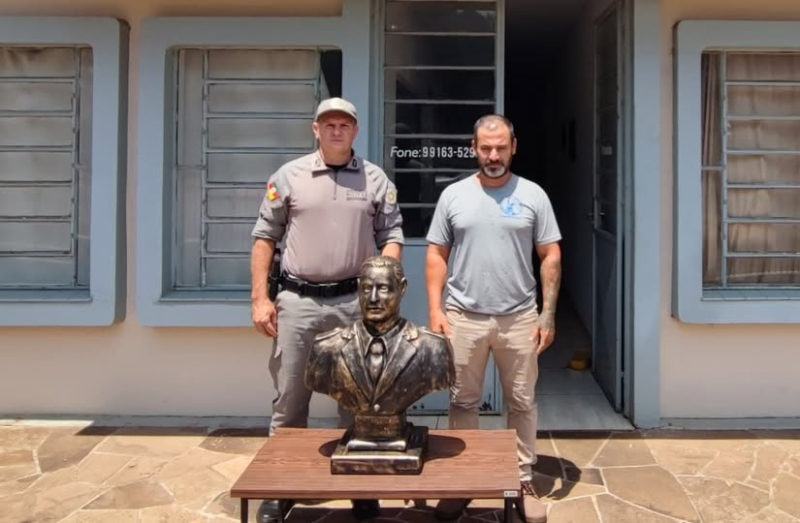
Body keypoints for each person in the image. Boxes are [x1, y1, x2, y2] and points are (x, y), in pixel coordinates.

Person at [250, 97, 404, 522]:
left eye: (344, 125)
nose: (337, 131)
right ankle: (281, 487)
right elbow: (265, 237)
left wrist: (382, 284)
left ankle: (360, 485)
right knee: (289, 400)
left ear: (355, 131)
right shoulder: (289, 177)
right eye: (328, 124)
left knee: (360, 400)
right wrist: (260, 298)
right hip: (298, 302)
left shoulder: (374, 179)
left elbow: (392, 233)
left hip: (355, 305)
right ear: (315, 130)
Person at [425, 115, 562, 523]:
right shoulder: (453, 196)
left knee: (521, 402)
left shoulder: (534, 195)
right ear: (473, 148)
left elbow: (550, 254)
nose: (493, 155)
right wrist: (435, 309)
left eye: (501, 147)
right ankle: (466, 479)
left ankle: (521, 478)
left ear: (514, 146)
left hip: (519, 318)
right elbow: (436, 254)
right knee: (463, 401)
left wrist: (548, 315)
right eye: (486, 148)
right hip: (463, 317)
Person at [305, 255, 454, 445]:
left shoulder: (431, 349)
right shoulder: (327, 349)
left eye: (383, 288)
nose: (373, 298)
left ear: (402, 288)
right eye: (367, 288)